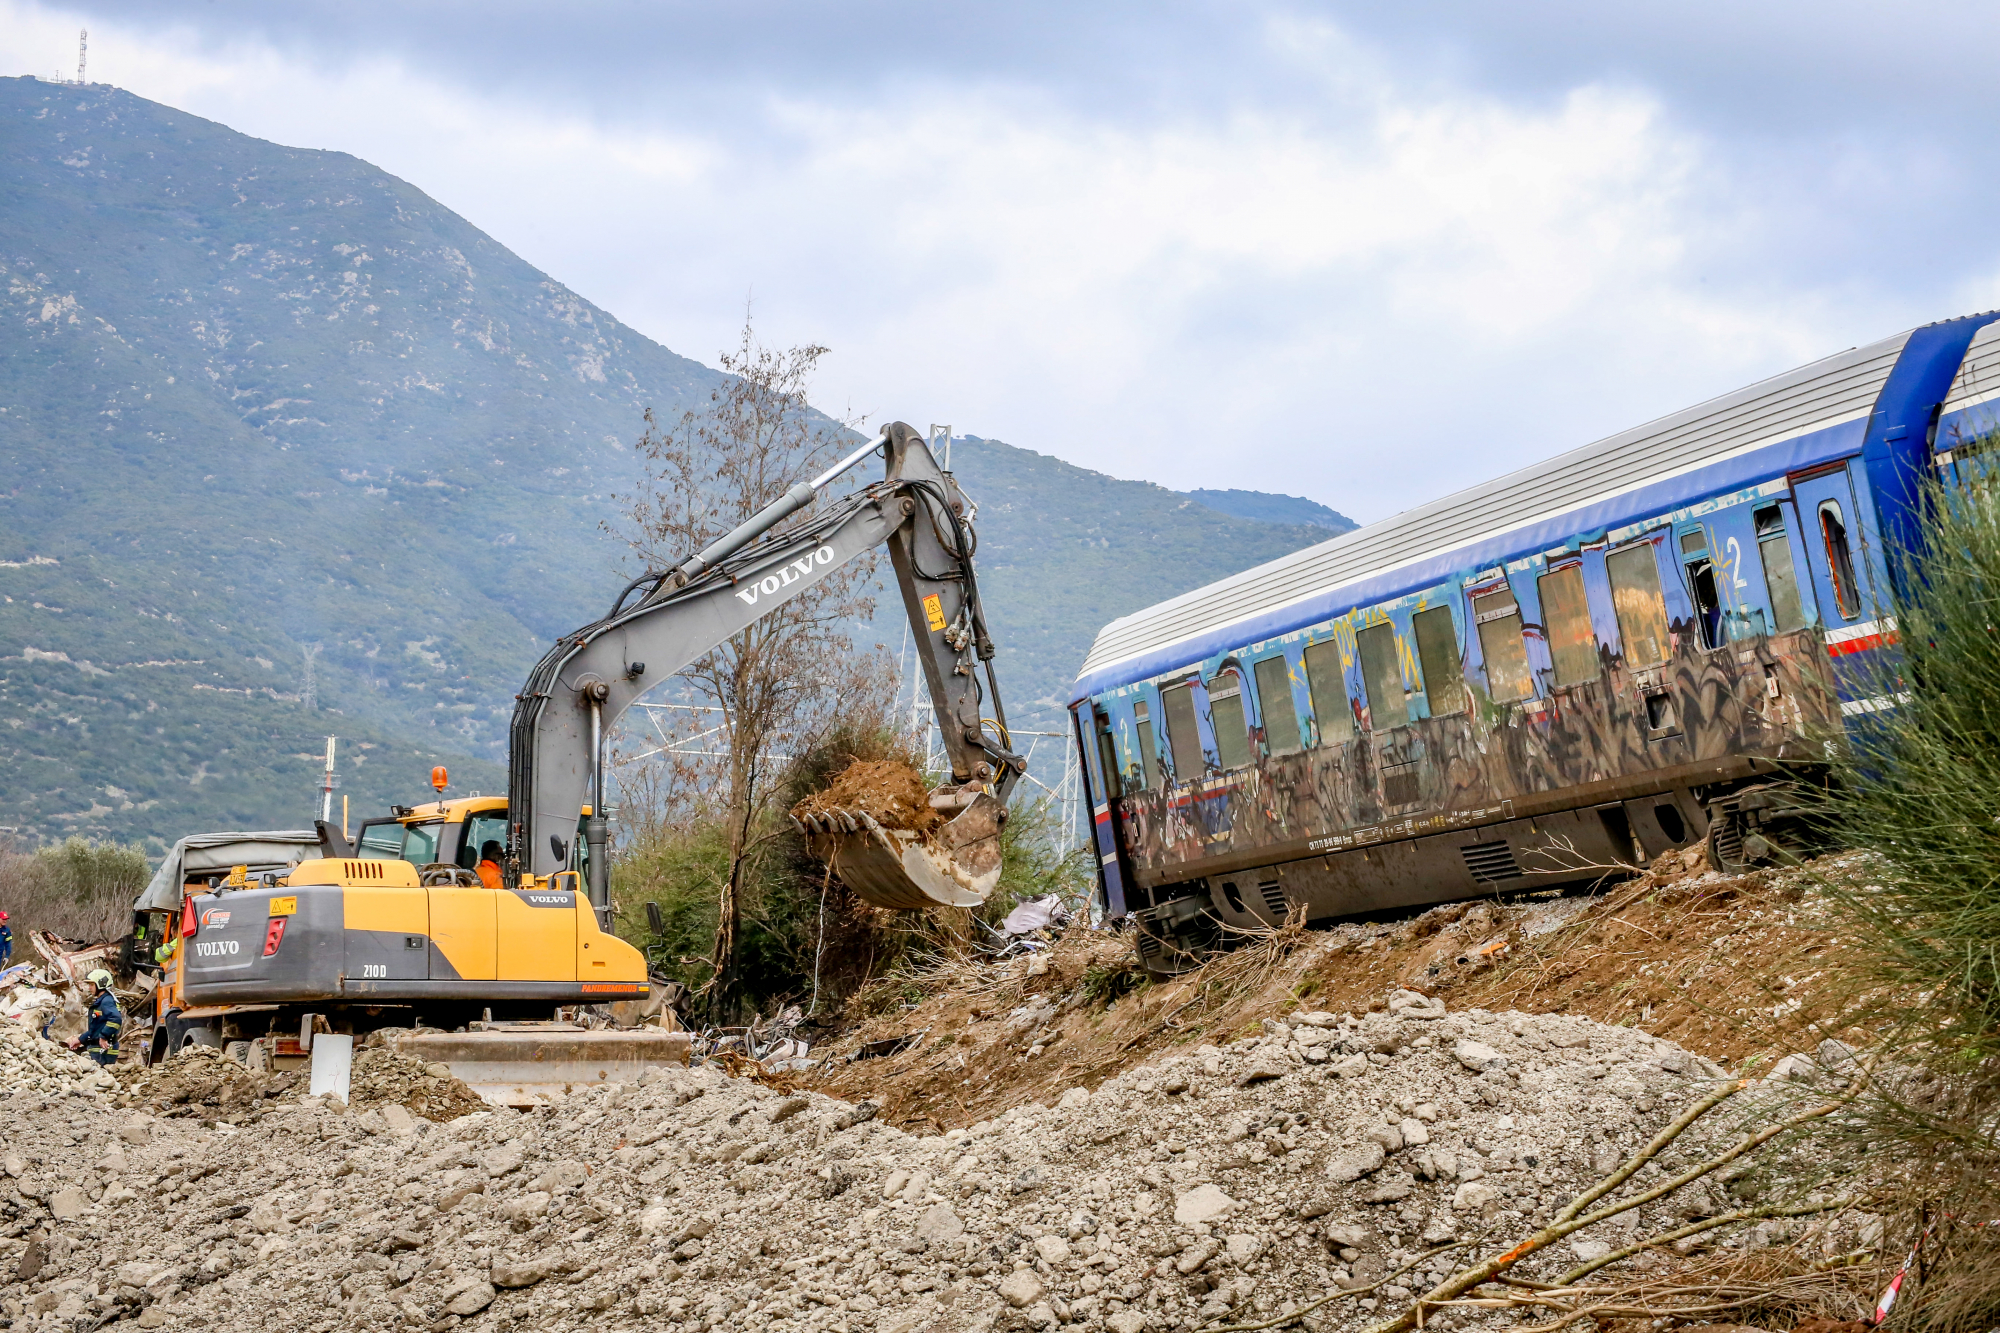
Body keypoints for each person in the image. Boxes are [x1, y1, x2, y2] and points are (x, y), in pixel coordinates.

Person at [69, 969, 122, 1067]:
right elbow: (96, 1028)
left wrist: (103, 1037)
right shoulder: (102, 1001)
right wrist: (80, 1039)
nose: (89, 988)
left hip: (103, 1051)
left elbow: (116, 1019)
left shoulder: (107, 1001)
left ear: (101, 984)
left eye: (92, 985)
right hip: (99, 1048)